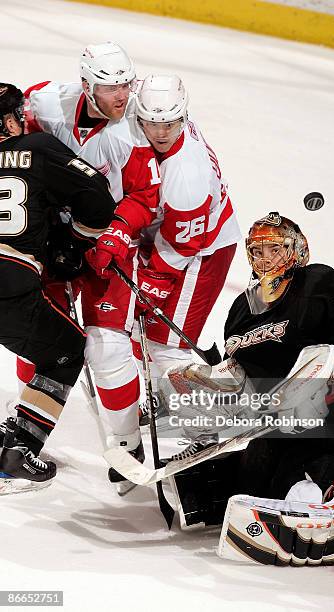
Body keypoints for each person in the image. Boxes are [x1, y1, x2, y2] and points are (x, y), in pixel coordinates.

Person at [162, 211, 334, 531]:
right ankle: (199, 486)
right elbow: (245, 379)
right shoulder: (244, 308)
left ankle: (319, 496)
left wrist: (328, 384)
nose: (265, 258)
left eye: (275, 248)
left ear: (297, 249)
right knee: (252, 491)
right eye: (257, 251)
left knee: (300, 493)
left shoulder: (318, 281)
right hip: (284, 423)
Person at [21, 43, 161, 491]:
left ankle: (127, 446)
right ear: (86, 85)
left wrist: (117, 235)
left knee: (106, 349)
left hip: (105, 248)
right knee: (39, 343)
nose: (122, 94)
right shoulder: (46, 101)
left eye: (125, 83)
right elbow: (17, 138)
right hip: (52, 244)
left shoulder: (135, 131)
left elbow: (143, 198)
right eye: (110, 86)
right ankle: (26, 437)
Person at [91, 74, 240, 452]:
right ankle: (167, 398)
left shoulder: (187, 174)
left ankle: (203, 433)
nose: (160, 132)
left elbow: (183, 244)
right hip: (166, 235)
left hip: (202, 250)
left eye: (169, 124)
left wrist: (156, 281)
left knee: (165, 345)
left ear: (183, 116)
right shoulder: (151, 102)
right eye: (152, 123)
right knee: (151, 341)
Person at [0, 83, 116, 489]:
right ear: (8, 122)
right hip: (8, 281)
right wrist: (75, 240)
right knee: (65, 351)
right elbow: (99, 199)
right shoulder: (37, 147)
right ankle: (17, 455)